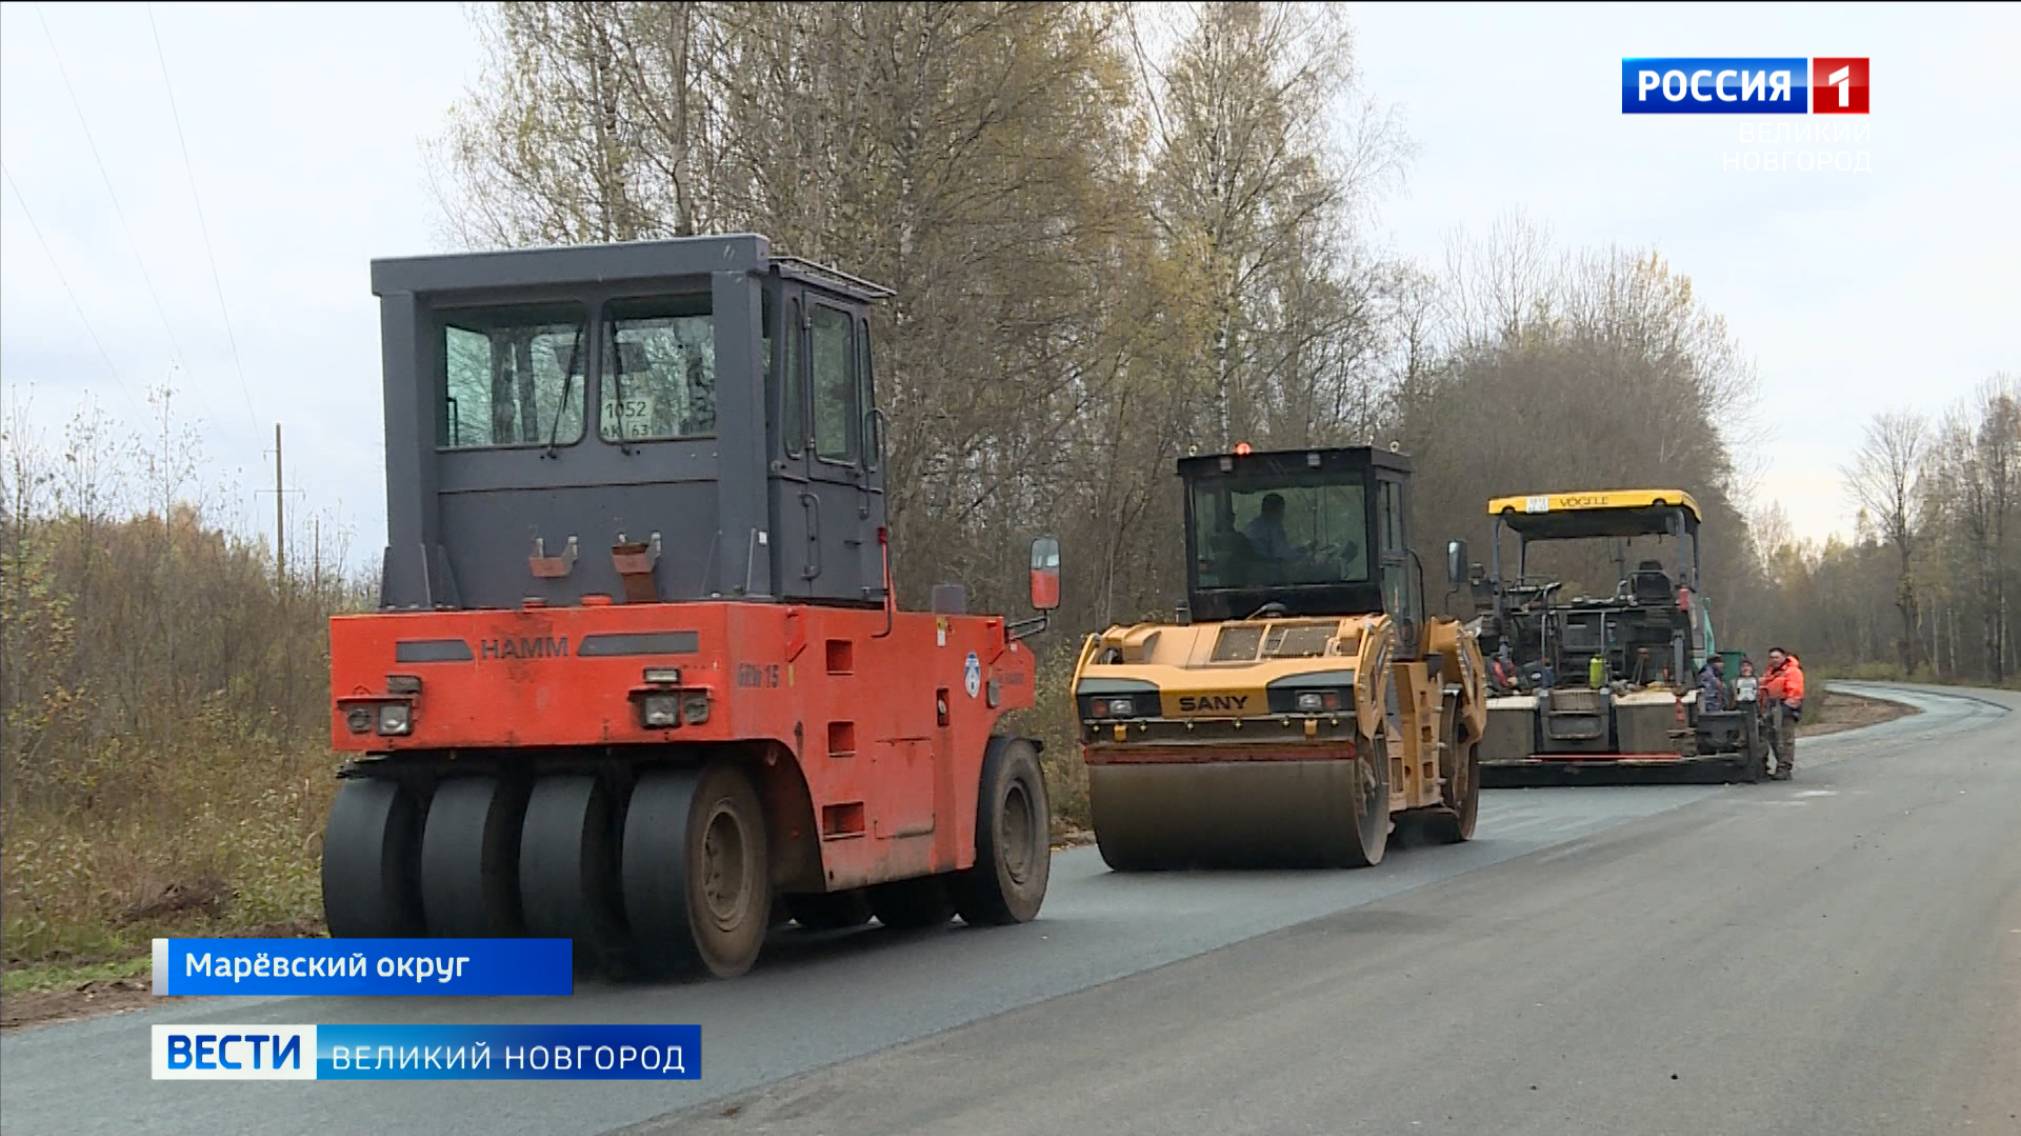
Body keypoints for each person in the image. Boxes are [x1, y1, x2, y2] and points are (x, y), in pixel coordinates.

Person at [1760, 646, 1806, 780]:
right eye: (1771, 657)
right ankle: (1778, 765)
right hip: (1771, 708)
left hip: (1785, 708)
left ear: (1784, 657)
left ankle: (1785, 768)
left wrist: (1788, 708)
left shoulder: (1792, 671)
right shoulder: (1770, 672)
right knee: (1772, 738)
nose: (1773, 660)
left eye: (1776, 657)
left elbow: (1796, 691)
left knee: (1785, 740)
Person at [1244, 493, 1298, 563]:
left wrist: (1303, 549)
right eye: (1282, 509)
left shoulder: (1252, 525)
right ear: (1278, 510)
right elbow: (1283, 554)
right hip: (1267, 568)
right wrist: (1302, 556)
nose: (1283, 514)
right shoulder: (1273, 526)